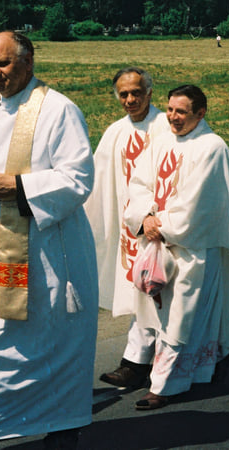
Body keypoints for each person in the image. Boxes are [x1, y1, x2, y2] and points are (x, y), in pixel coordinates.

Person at [0, 32, 98, 449]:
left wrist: (19, 186)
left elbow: (78, 179)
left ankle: (61, 430)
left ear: (28, 62)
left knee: (53, 353)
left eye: (3, 64)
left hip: (48, 258)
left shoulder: (59, 110)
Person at [124, 84, 229, 410]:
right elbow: (140, 183)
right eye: (170, 110)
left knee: (181, 318)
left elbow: (200, 203)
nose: (173, 117)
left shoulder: (211, 147)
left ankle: (163, 386)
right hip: (159, 243)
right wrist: (144, 217)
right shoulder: (161, 140)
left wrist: (163, 226)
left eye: (181, 112)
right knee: (169, 314)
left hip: (193, 247)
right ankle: (221, 355)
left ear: (200, 113)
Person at [85, 67, 169, 389]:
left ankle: (136, 363)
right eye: (123, 94)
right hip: (128, 230)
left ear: (150, 92)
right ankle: (144, 360)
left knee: (153, 293)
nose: (130, 100)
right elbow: (97, 180)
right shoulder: (115, 132)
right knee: (142, 294)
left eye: (136, 92)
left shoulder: (164, 125)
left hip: (156, 226)